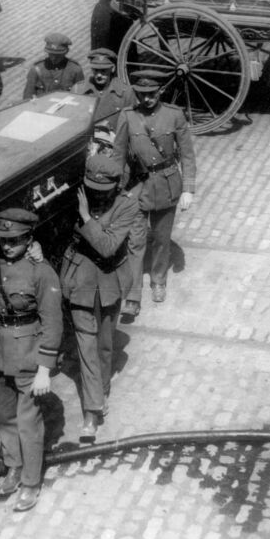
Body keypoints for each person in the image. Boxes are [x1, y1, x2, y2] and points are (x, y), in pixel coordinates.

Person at [0, 208, 62, 512]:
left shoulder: (41, 272)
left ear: (29, 238)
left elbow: (53, 323)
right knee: (4, 417)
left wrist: (44, 370)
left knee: (29, 423)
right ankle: (13, 467)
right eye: (3, 240)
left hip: (28, 352)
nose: (7, 246)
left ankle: (31, 482)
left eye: (14, 240)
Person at [59, 155, 138, 441]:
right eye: (93, 189)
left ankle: (102, 390)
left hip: (109, 280)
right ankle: (91, 412)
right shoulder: (76, 195)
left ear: (117, 186)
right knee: (87, 347)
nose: (98, 195)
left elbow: (107, 247)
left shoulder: (126, 205)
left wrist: (85, 217)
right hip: (80, 279)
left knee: (105, 345)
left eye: (104, 191)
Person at [111, 69, 196, 317]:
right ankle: (133, 295)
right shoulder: (128, 116)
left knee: (161, 238)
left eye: (151, 94)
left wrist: (188, 189)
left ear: (160, 91)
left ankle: (158, 280)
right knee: (135, 242)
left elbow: (187, 155)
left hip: (167, 186)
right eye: (141, 94)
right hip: (137, 187)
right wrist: (117, 189)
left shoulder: (174, 115)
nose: (146, 99)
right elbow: (118, 155)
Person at [72, 48, 136, 139]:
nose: (99, 75)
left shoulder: (125, 92)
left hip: (115, 142)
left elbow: (133, 125)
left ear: (112, 68)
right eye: (95, 70)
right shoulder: (78, 90)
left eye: (103, 71)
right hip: (85, 141)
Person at [23, 32, 84, 99]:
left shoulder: (75, 70)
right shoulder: (37, 70)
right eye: (51, 54)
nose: (54, 58)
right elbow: (27, 98)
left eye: (58, 55)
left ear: (66, 51)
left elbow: (81, 98)